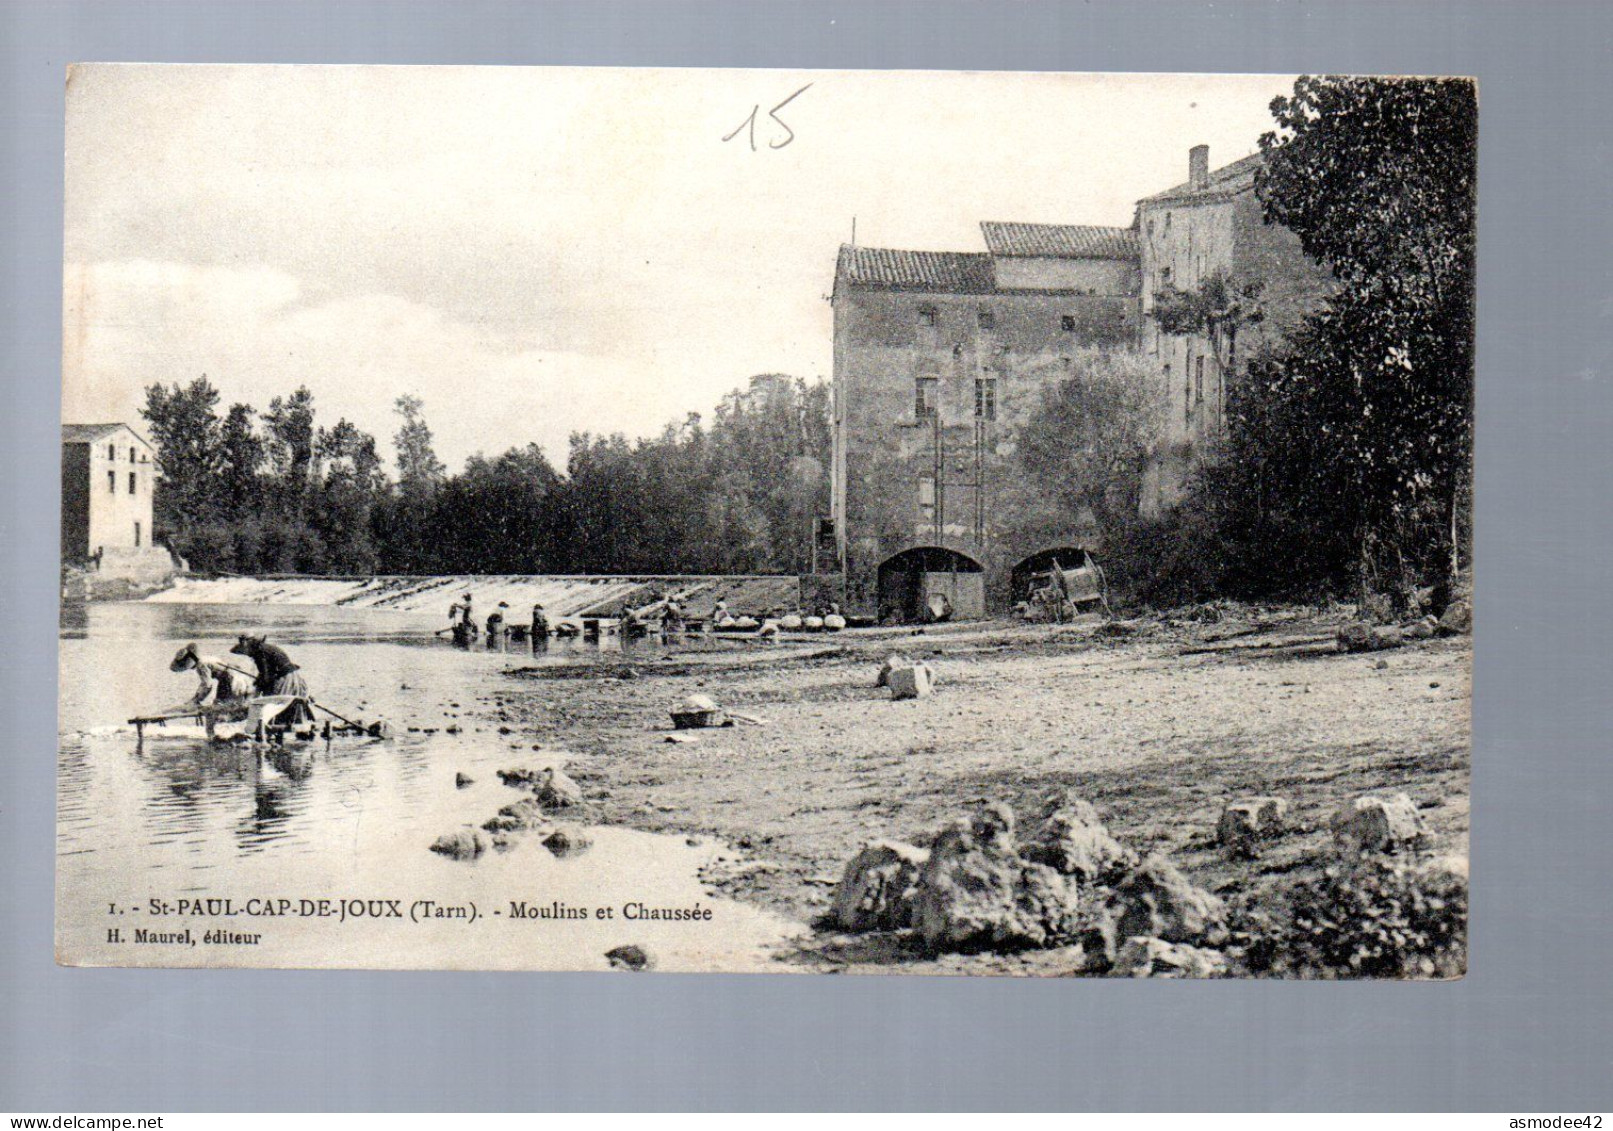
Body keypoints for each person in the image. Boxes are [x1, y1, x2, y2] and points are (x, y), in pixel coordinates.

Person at [170, 643, 254, 738]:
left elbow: (207, 686)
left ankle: (212, 735)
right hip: (240, 678)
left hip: (228, 681)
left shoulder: (201, 666)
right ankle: (238, 727)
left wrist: (196, 700)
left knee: (217, 708)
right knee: (236, 704)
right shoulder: (208, 658)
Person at [230, 635, 309, 698]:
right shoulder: (262, 648)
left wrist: (259, 686)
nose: (246, 654)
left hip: (286, 678)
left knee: (273, 700)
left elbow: (266, 675)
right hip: (290, 674)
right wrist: (259, 681)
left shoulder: (260, 653)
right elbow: (265, 672)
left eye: (243, 651)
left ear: (246, 645)